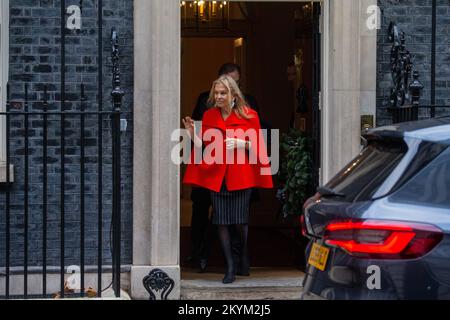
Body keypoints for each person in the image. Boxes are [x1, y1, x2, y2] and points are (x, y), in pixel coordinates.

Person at [183, 75, 273, 284]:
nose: (219, 96)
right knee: (221, 221)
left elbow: (260, 148)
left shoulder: (249, 116)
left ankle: (243, 254)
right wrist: (191, 134)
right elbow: (203, 146)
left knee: (240, 222)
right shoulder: (209, 116)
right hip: (217, 176)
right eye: (216, 93)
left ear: (233, 94)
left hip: (241, 177)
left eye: (223, 93)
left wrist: (243, 143)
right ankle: (230, 267)